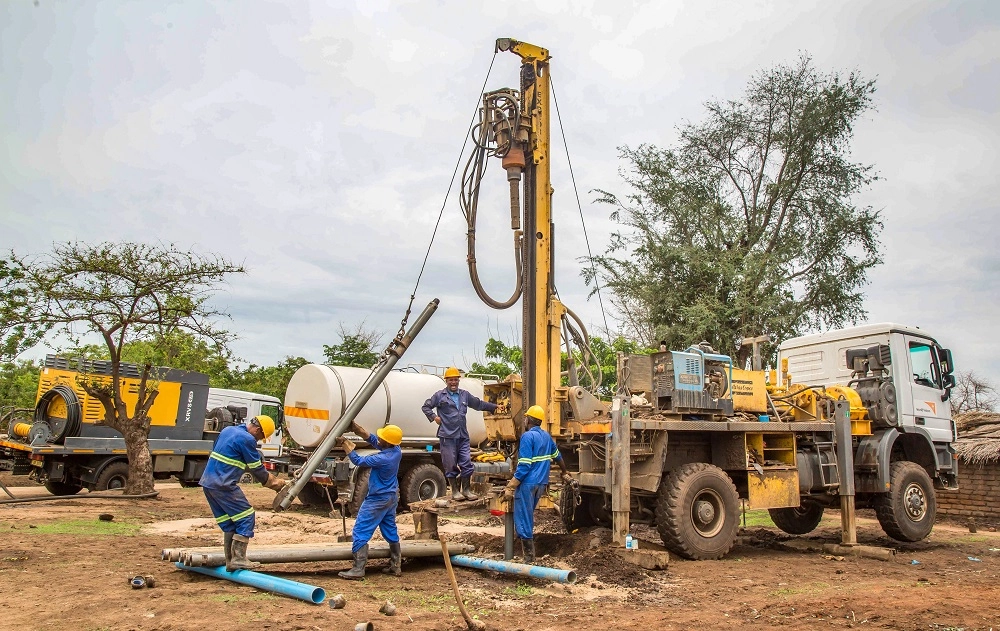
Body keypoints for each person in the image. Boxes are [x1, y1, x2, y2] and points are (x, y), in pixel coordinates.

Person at [199, 415, 286, 571]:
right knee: (246, 516)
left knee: (230, 523)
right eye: (261, 437)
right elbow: (257, 468)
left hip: (208, 484)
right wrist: (275, 484)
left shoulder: (227, 430)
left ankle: (230, 561)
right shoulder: (247, 439)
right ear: (258, 430)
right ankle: (239, 559)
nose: (259, 440)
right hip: (223, 485)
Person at [335, 421, 404, 579]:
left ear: (387, 442)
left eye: (382, 437)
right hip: (391, 497)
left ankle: (358, 569)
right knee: (390, 529)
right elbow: (375, 441)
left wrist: (346, 445)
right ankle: (396, 565)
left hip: (377, 499)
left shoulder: (382, 458)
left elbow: (358, 461)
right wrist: (359, 430)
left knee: (360, 530)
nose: (378, 438)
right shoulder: (396, 450)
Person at [504, 405, 572, 563]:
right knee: (527, 515)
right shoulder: (547, 437)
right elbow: (557, 455)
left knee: (523, 517)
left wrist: (511, 485)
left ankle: (528, 558)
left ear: (528, 419)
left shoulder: (528, 437)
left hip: (527, 483)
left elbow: (524, 465)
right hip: (541, 483)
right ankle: (525, 554)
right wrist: (564, 471)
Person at [422, 367, 498, 501]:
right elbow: (426, 406)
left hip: (462, 435)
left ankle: (467, 490)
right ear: (446, 381)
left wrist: (494, 407)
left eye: (456, 380)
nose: (453, 383)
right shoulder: (439, 395)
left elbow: (478, 404)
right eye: (451, 380)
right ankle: (455, 491)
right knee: (450, 464)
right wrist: (434, 417)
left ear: (459, 380)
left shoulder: (464, 395)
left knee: (466, 463)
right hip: (447, 436)